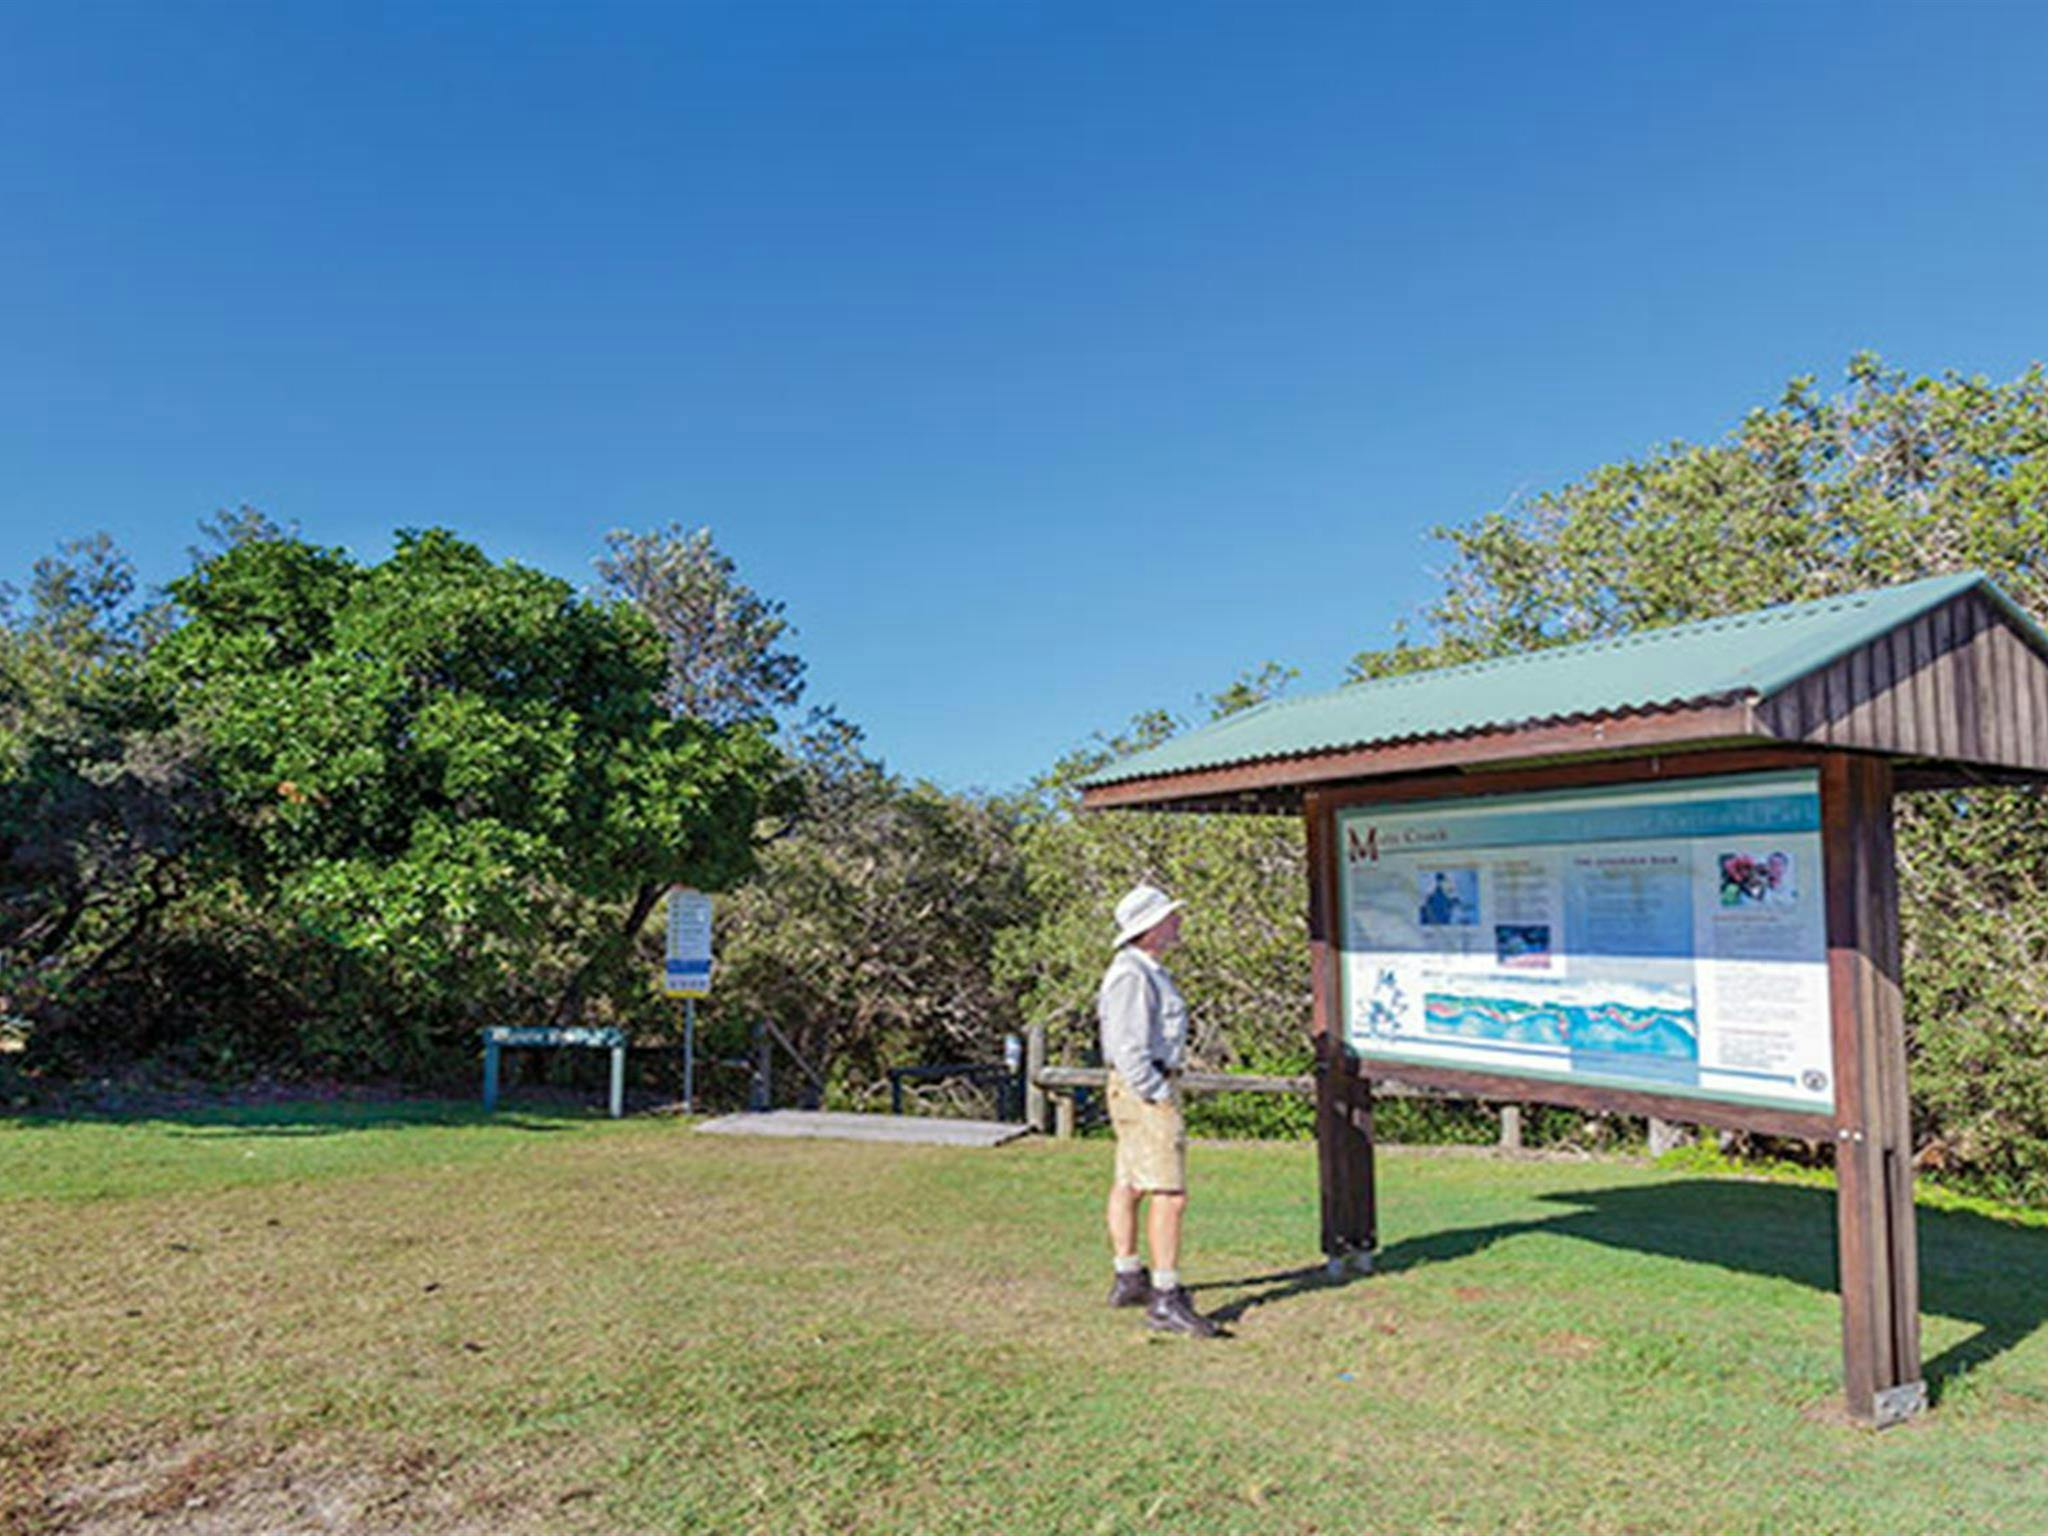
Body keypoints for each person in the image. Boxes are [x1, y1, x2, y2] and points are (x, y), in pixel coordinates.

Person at [1098, 882, 1219, 1338]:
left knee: (1129, 1182)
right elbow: (1129, 1046)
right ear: (1148, 927)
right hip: (1144, 1086)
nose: (1177, 922)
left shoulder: (1142, 968)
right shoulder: (1133, 974)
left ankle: (1129, 1277)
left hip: (1136, 1086)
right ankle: (1166, 1296)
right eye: (1169, 917)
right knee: (1170, 1192)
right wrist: (1157, 1092)